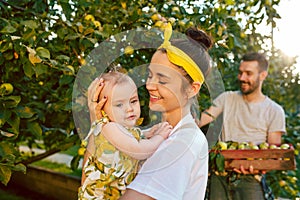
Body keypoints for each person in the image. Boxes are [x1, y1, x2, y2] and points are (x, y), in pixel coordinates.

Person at [89, 23, 213, 199]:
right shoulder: (159, 133)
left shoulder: (182, 143)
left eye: (162, 80)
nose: (149, 85)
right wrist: (99, 124)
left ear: (191, 89)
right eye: (149, 75)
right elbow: (93, 175)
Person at [198, 52, 286, 200]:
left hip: (251, 179)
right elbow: (202, 119)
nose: (242, 78)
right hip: (220, 174)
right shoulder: (227, 98)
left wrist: (259, 166)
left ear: (262, 75)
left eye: (248, 73)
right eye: (240, 73)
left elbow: (273, 152)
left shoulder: (274, 111)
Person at [78, 71, 173, 199]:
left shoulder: (122, 129)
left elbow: (130, 138)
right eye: (119, 104)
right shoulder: (108, 127)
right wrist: (159, 137)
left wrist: (147, 133)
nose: (129, 108)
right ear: (102, 108)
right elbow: (139, 149)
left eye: (133, 101)